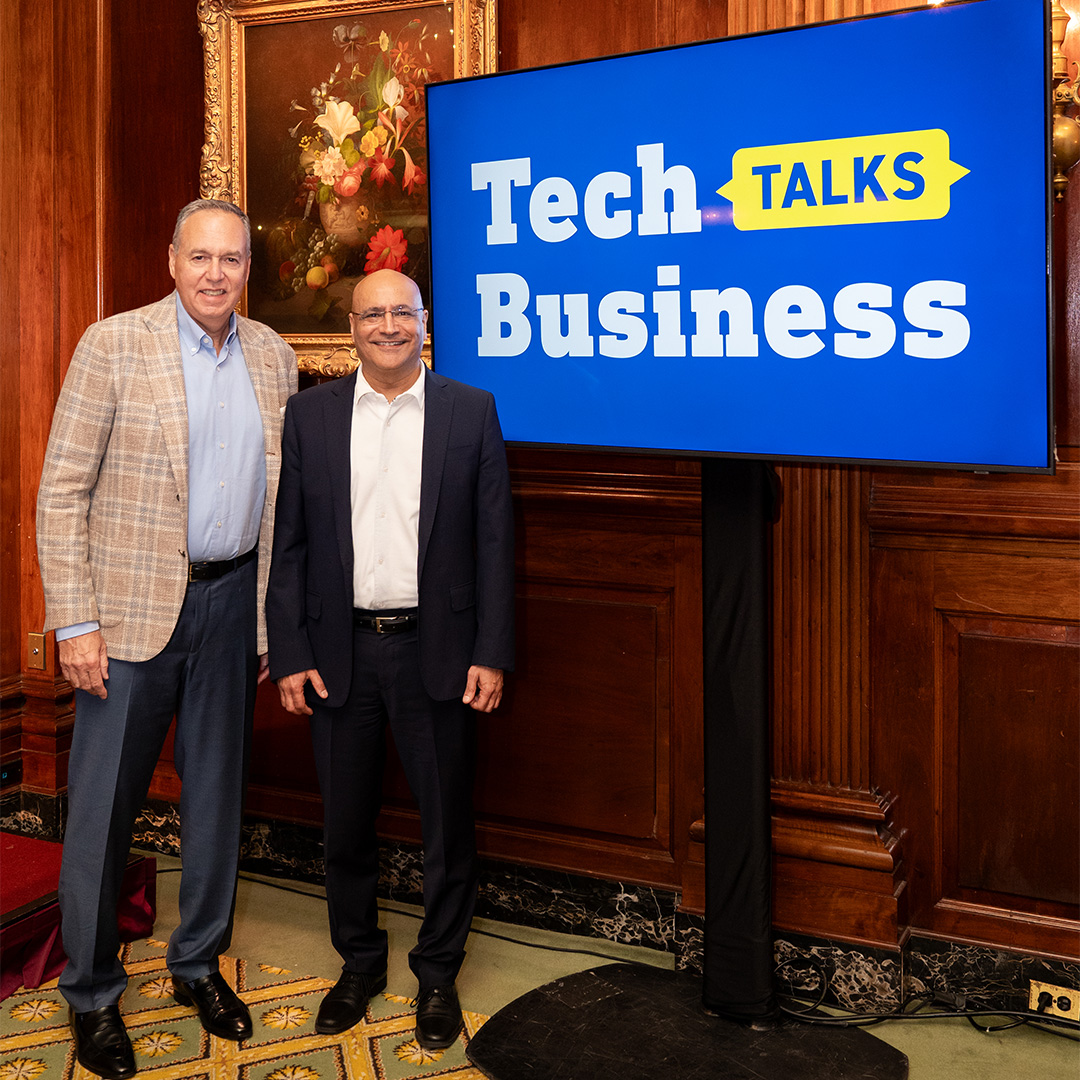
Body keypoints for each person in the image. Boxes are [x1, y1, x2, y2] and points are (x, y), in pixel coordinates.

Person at [36, 200, 297, 1079]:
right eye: (201, 257)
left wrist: (269, 619)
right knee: (104, 812)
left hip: (230, 608)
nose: (216, 273)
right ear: (172, 260)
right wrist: (74, 619)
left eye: (232, 259)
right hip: (126, 616)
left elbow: (277, 504)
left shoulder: (273, 356)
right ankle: (93, 994)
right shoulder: (112, 344)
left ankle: (197, 966)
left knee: (218, 802)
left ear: (247, 267)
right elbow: (61, 491)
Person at [265, 268, 515, 1050]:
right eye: (371, 314)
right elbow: (291, 545)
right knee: (344, 826)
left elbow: (495, 543)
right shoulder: (309, 416)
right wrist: (290, 652)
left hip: (436, 652)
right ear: (351, 327)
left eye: (400, 312)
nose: (387, 326)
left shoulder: (470, 412)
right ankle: (359, 965)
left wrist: (492, 652)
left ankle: (437, 973)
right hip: (339, 653)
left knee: (447, 827)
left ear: (424, 320)